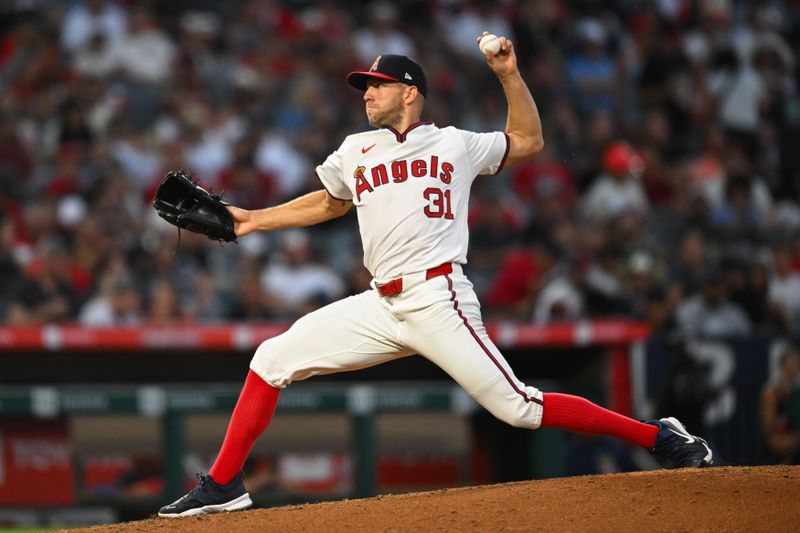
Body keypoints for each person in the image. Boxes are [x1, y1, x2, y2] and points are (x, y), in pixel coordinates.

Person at [158, 33, 714, 518]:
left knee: (519, 409)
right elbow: (331, 203)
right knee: (270, 359)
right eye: (365, 85)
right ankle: (223, 484)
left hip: (438, 296)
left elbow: (529, 142)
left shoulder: (454, 143)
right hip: (380, 304)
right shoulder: (355, 149)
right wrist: (253, 220)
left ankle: (659, 436)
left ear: (410, 92)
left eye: (377, 84)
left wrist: (508, 74)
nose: (367, 92)